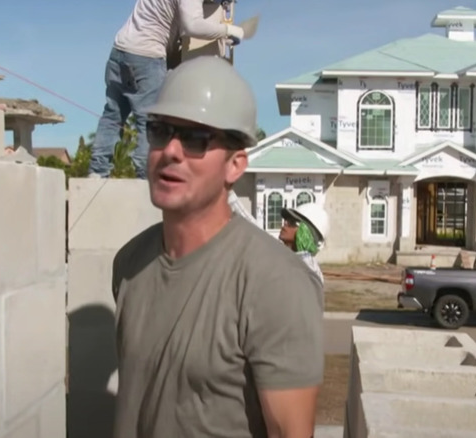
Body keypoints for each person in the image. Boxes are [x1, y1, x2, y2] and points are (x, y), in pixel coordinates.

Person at [110, 56, 324, 438]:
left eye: (195, 138)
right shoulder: (128, 264)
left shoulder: (276, 282)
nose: (170, 151)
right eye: (160, 130)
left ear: (235, 165)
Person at [88, 0, 246, 179]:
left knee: (112, 115)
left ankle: (97, 172)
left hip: (119, 52)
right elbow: (192, 26)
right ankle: (145, 178)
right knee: (149, 119)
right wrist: (228, 30)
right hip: (146, 56)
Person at [278, 202, 329, 284]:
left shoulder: (308, 270)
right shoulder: (288, 259)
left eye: (292, 223)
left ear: (307, 234)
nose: (285, 224)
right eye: (286, 220)